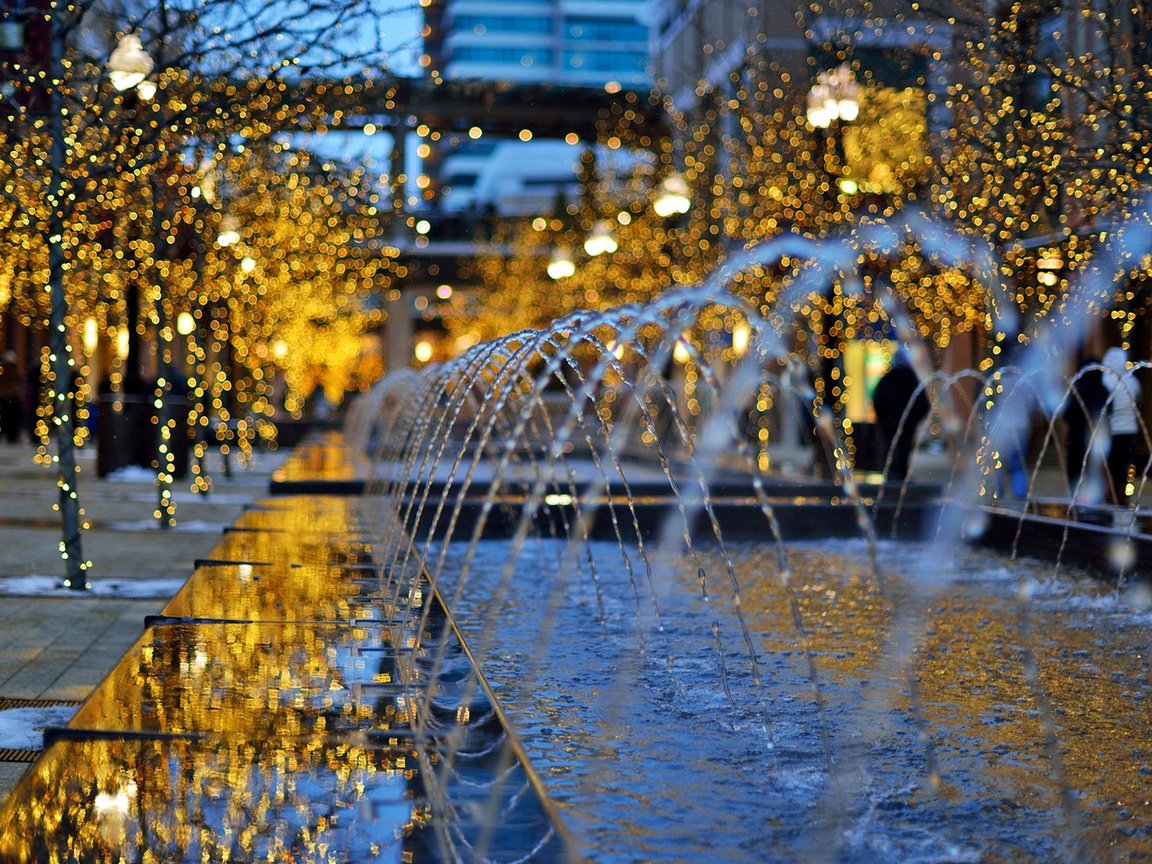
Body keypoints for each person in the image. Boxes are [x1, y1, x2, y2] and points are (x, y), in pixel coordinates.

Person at [872, 347, 929, 481]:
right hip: (902, 423)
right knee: (902, 448)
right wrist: (912, 418)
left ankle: (894, 474)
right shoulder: (909, 378)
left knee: (894, 448)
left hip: (892, 423)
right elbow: (923, 402)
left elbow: (878, 398)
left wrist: (884, 418)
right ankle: (898, 474)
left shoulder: (890, 378)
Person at [1063, 356, 1109, 499]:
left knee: (1076, 472)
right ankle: (1093, 502)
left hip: (1076, 439)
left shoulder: (1078, 391)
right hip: (1096, 441)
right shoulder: (1103, 391)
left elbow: (1066, 414)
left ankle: (1076, 501)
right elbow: (1108, 414)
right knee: (1094, 472)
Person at [1102, 346, 1142, 505]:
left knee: (1108, 468)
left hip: (1111, 431)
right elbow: (1139, 403)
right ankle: (1121, 497)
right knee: (1123, 468)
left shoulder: (1105, 380)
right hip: (1130, 431)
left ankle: (1108, 498)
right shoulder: (1132, 382)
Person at [0, 351, 25, 444]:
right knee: (10, 418)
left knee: (9, 418)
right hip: (10, 396)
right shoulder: (13, 371)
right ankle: (12, 436)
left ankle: (11, 435)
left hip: (9, 396)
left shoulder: (7, 371)